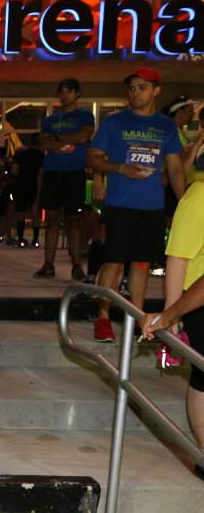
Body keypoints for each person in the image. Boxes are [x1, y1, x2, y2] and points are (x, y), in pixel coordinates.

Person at [89, 67, 185, 342]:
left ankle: (136, 317)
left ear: (156, 91)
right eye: (132, 88)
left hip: (151, 206)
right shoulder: (114, 122)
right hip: (120, 202)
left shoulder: (167, 126)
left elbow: (175, 168)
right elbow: (93, 158)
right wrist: (120, 168)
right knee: (114, 261)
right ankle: (103, 317)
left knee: (142, 263)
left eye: (142, 88)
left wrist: (184, 202)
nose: (136, 93)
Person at [141, 178, 204, 453]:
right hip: (195, 301)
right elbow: (177, 255)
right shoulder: (199, 196)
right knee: (203, 378)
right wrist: (173, 312)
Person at [33, 79, 94, 280]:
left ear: (77, 94)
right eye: (62, 92)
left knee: (73, 220)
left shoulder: (85, 115)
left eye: (69, 92)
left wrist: (56, 139)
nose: (64, 95)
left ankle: (77, 266)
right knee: (51, 219)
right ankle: (48, 264)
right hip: (52, 172)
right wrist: (67, 138)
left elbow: (83, 137)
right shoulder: (50, 119)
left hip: (74, 172)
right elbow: (42, 144)